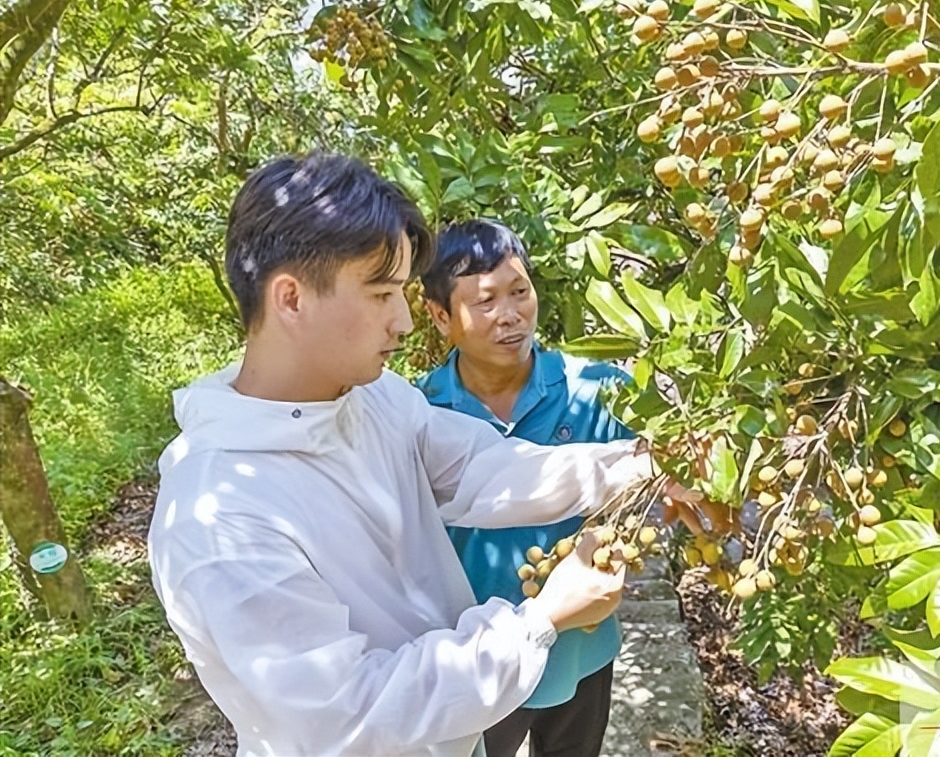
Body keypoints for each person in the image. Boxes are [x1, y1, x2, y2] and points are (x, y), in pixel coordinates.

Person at [147, 153, 693, 757]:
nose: (405, 321)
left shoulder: (372, 397)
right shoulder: (218, 516)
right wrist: (539, 620)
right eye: (382, 293)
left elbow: (481, 469)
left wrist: (646, 466)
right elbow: (351, 713)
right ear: (291, 299)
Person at [418, 219, 633, 757]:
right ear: (440, 315)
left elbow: (665, 472)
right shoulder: (420, 414)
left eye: (520, 292)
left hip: (582, 647)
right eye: (485, 301)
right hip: (478, 657)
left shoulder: (599, 391)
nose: (511, 315)